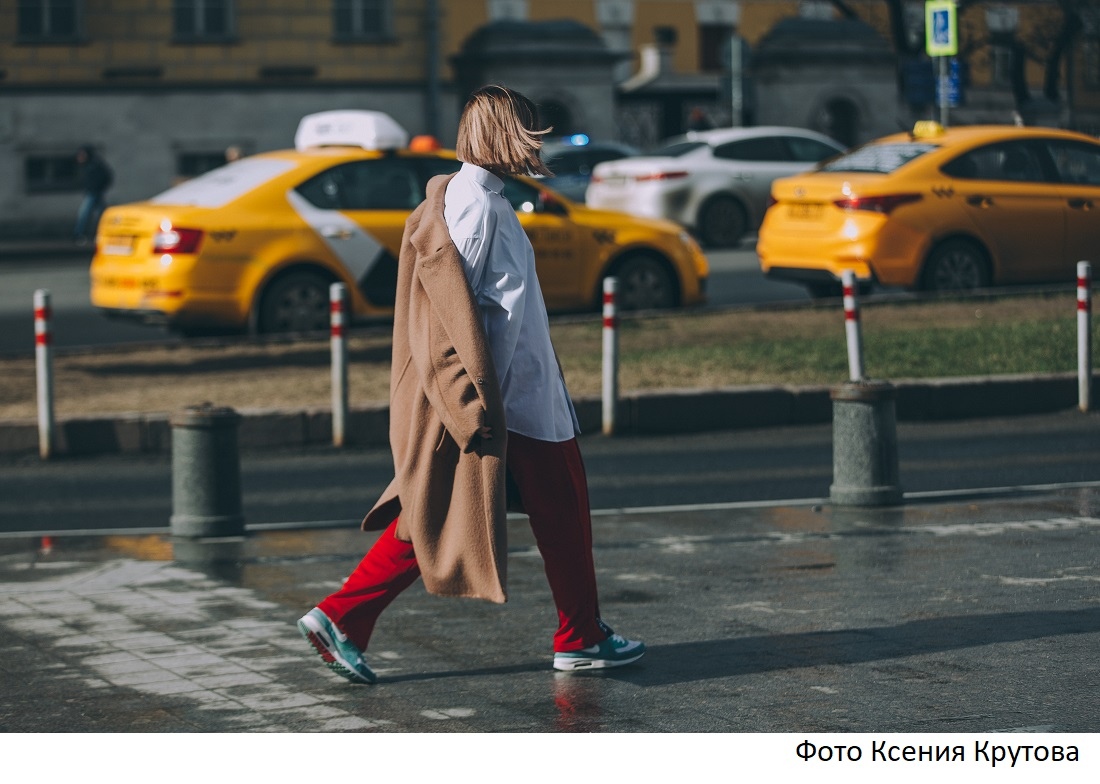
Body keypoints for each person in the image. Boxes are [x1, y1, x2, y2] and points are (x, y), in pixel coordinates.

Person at [297, 84, 645, 684]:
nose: (535, 140)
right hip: (512, 403)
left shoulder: (477, 198)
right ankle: (579, 636)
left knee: (434, 514)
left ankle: (343, 616)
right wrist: (473, 408)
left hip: (513, 399)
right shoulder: (477, 207)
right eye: (526, 129)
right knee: (549, 515)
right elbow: (447, 319)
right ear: (504, 133)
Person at [74, 145, 113, 243]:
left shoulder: (94, 165)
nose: (79, 158)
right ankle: (86, 235)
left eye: (81, 155)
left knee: (86, 214)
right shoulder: (87, 165)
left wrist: (98, 187)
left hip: (94, 193)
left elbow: (107, 176)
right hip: (93, 192)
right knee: (100, 214)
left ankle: (79, 235)